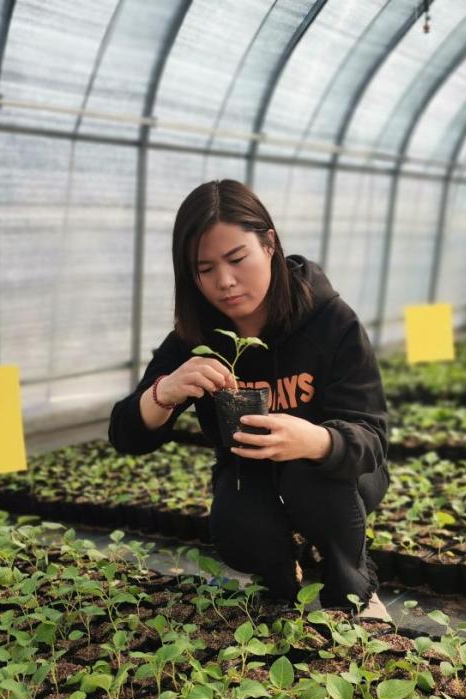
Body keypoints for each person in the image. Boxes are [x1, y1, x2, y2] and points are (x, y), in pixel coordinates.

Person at [108, 179, 390, 618]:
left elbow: (372, 437)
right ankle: (283, 579)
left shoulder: (331, 321)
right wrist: (163, 393)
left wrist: (316, 440)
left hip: (341, 475)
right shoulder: (195, 340)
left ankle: (352, 587)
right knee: (237, 526)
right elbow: (125, 435)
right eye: (204, 269)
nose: (225, 282)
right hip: (250, 476)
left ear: (269, 244)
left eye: (237, 258)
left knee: (304, 473)